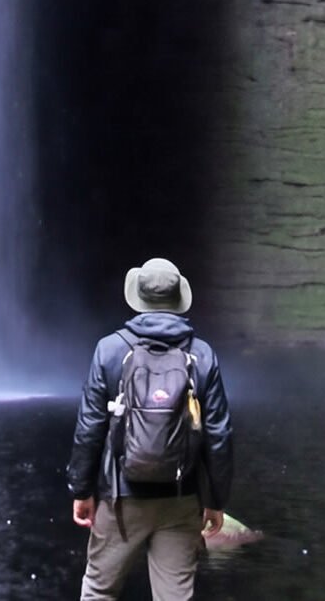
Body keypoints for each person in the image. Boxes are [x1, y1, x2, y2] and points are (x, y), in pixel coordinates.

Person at [67, 257, 234, 601]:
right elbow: (218, 435)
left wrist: (81, 490)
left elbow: (90, 427)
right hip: (180, 496)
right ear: (178, 300)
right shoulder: (201, 355)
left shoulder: (110, 350)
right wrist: (215, 500)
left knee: (99, 591)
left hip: (119, 498)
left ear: (138, 297)